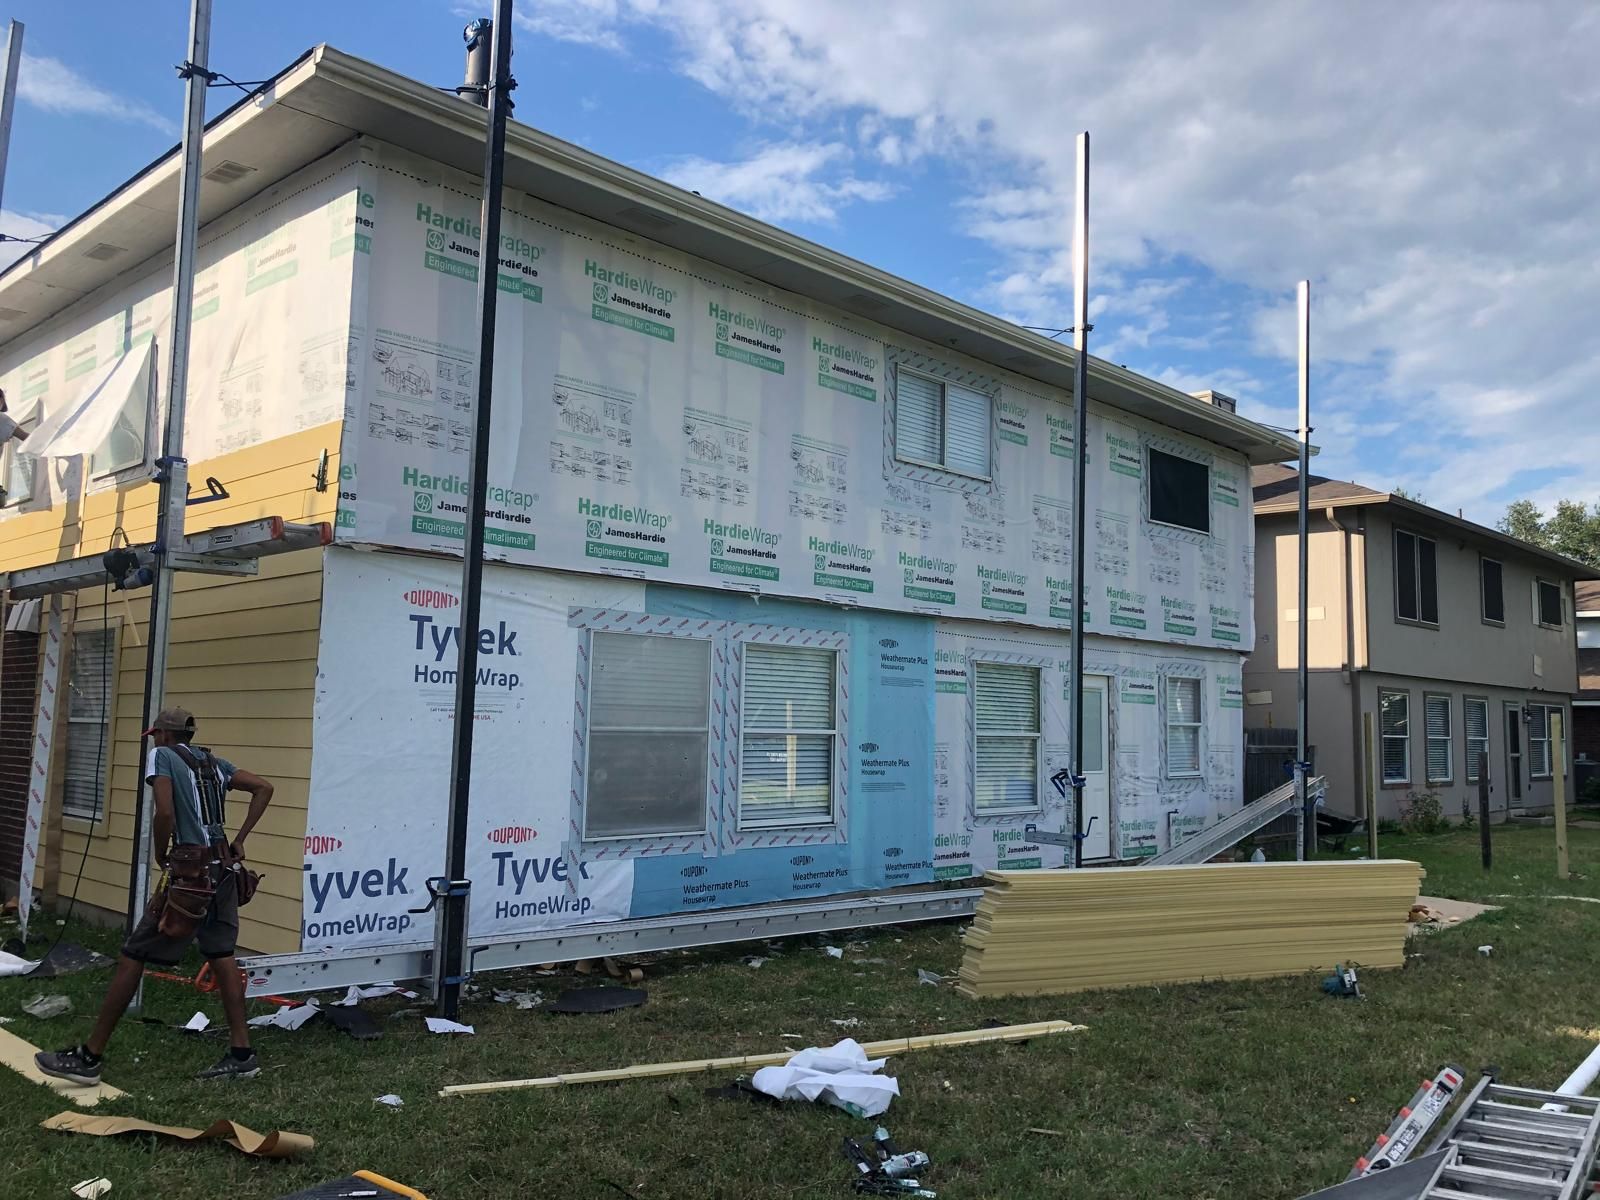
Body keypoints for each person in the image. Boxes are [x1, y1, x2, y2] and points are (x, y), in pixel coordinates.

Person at [35, 707, 275, 1085]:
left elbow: (164, 810)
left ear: (163, 734)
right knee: (222, 954)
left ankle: (89, 1057)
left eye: (156, 734)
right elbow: (264, 787)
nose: (155, 739)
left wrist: (161, 852)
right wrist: (240, 839)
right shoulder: (214, 762)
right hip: (224, 871)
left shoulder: (162, 756)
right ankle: (242, 1053)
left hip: (191, 876)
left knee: (134, 953)